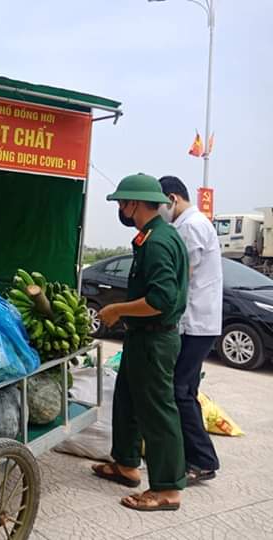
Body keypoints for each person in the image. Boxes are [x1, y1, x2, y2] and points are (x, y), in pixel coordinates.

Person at [91, 173, 189, 511]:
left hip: (155, 339)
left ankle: (167, 489)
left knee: (158, 411)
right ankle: (126, 464)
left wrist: (117, 309)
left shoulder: (159, 242)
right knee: (128, 401)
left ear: (134, 203)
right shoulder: (152, 236)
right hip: (141, 338)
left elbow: (161, 299)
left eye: (122, 202)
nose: (120, 208)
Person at [159, 175, 222, 484]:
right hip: (197, 321)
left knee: (179, 391)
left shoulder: (191, 226)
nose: (160, 211)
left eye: (159, 204)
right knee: (187, 390)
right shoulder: (186, 224)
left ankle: (203, 460)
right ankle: (192, 456)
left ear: (172, 198)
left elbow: (183, 274)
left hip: (197, 322)